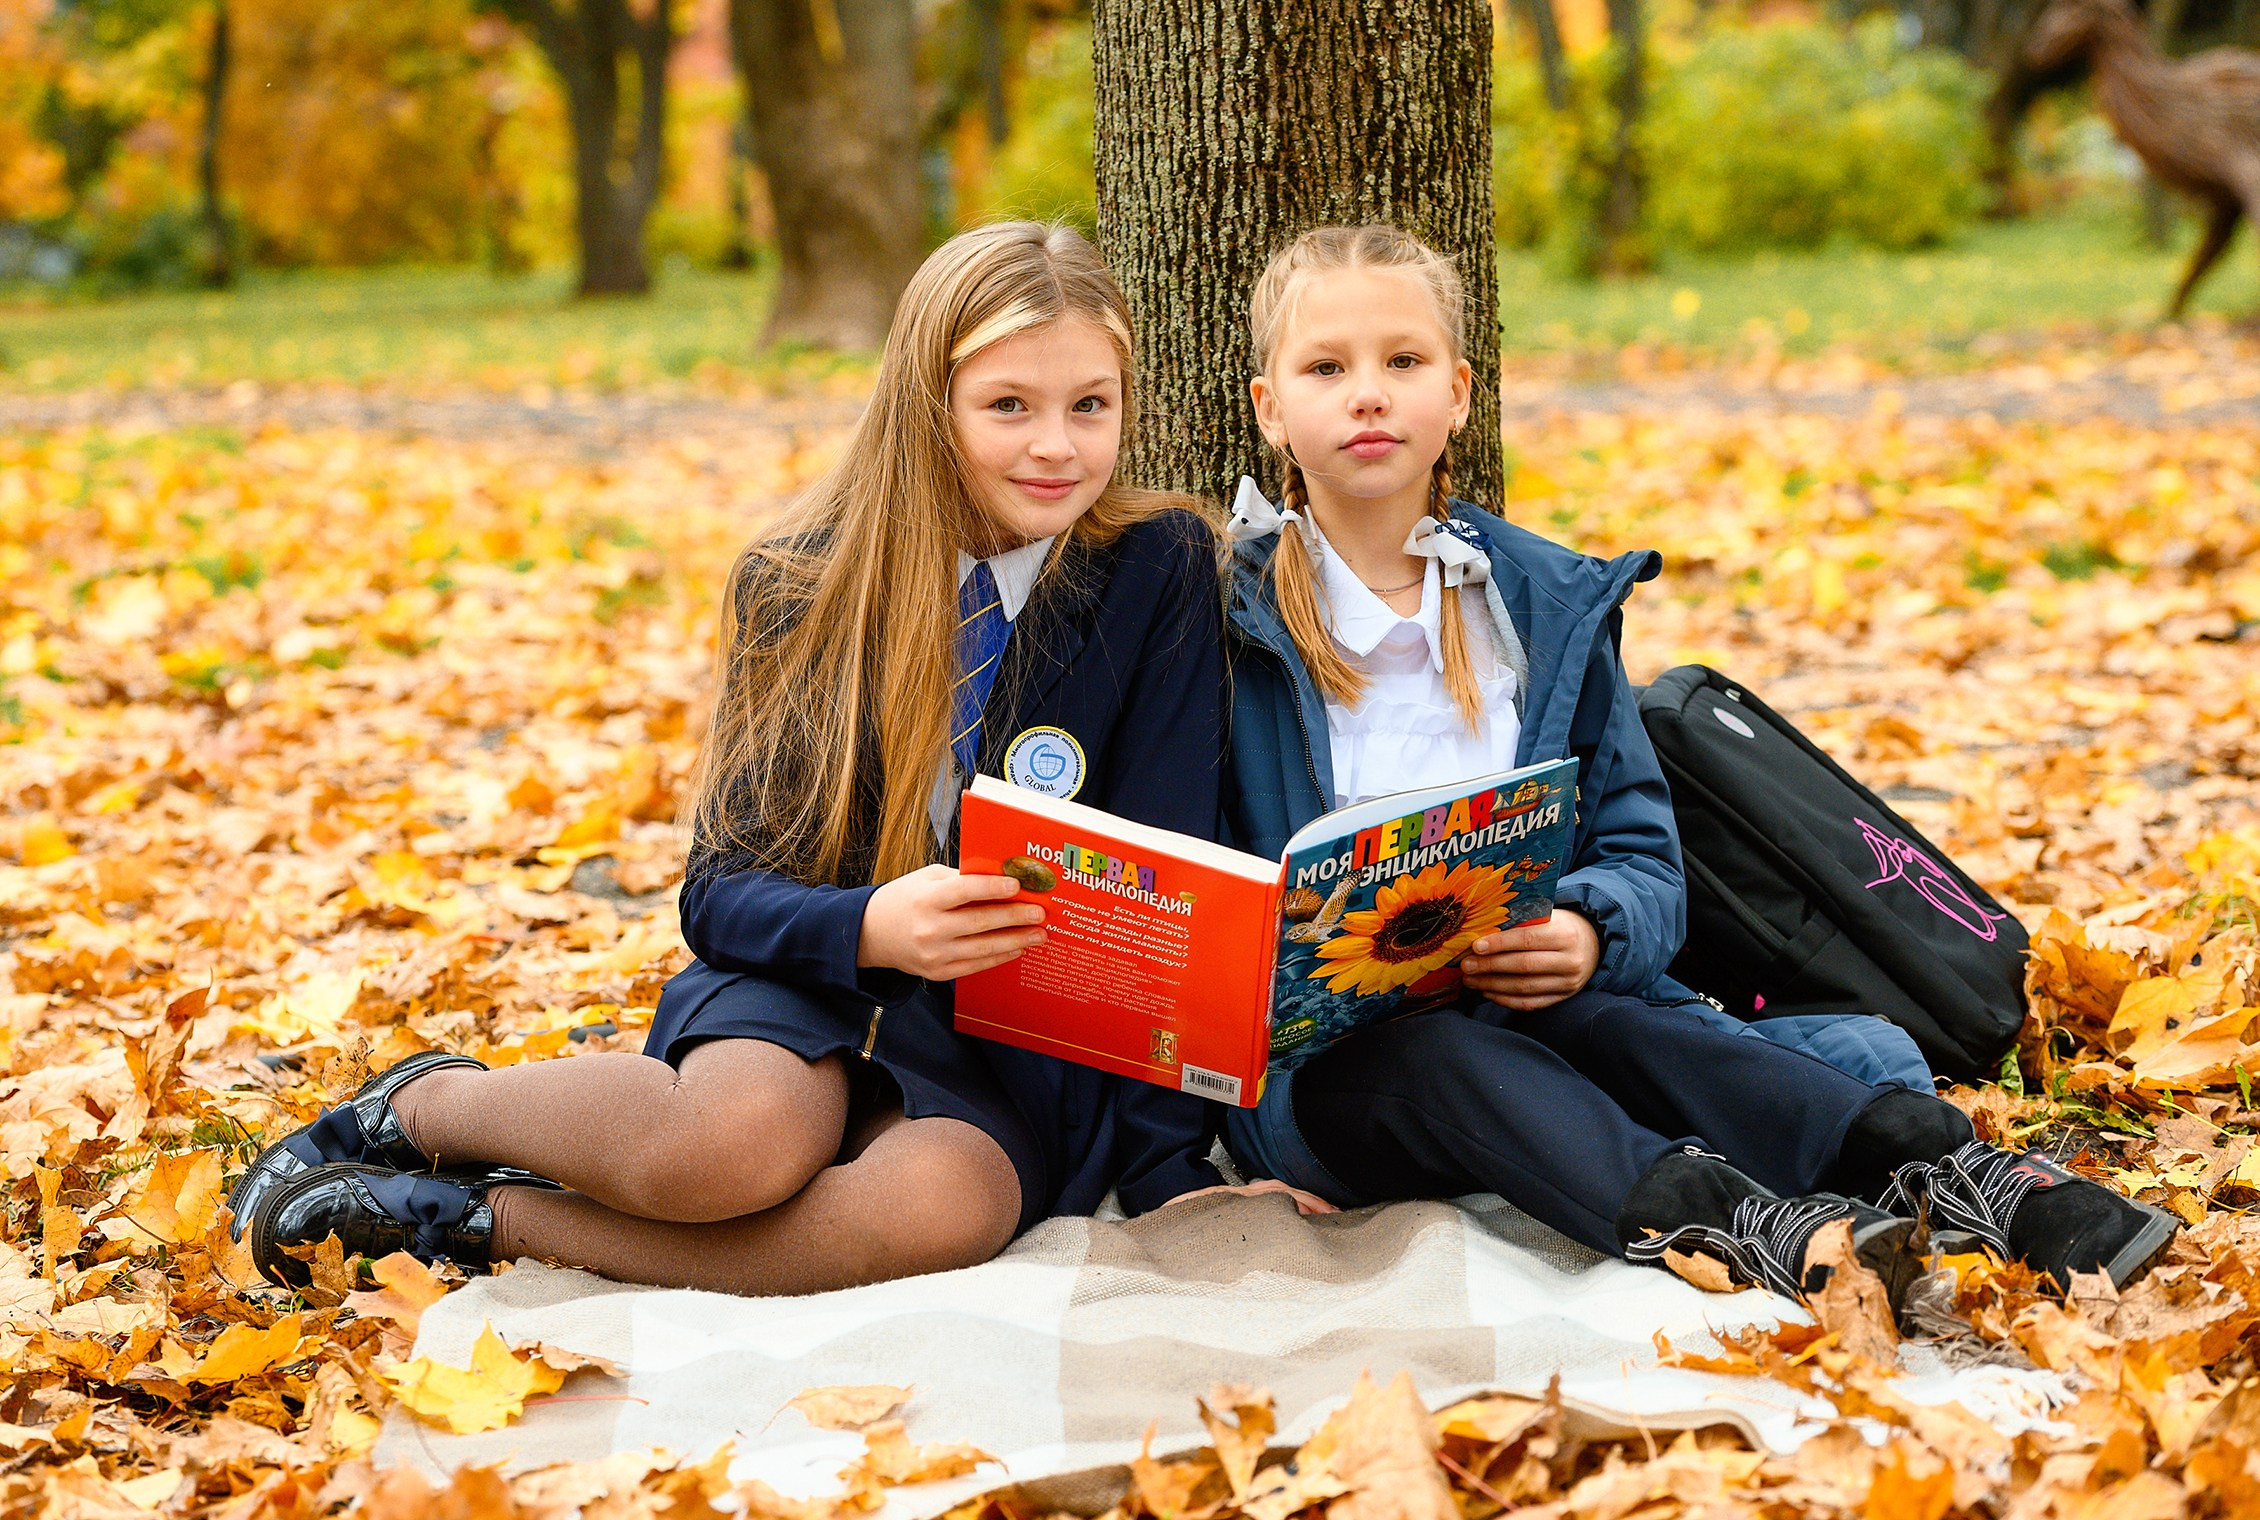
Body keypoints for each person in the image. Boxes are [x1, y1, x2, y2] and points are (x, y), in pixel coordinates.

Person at [230, 222, 1237, 1296]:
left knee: (941, 1209)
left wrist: (1166, 1167)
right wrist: (869, 928)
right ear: (926, 406)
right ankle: (422, 1107)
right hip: (807, 972)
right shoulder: (801, 582)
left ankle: (479, 1219)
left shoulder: (1157, 567)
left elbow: (1169, 882)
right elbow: (718, 893)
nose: (1057, 446)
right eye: (1008, 406)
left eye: (1091, 405)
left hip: (1006, 1045)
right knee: (729, 1151)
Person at [1218, 223, 2178, 1310]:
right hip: (1335, 1081)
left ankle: (1956, 1173)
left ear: (1459, 394)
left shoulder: (1542, 605)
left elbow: (1642, 856)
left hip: (1538, 1012)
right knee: (1435, 1056)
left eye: (1403, 360)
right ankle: (1736, 1224)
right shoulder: (1220, 623)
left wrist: (1587, 931)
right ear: (1269, 409)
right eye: (1326, 368)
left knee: (1629, 1028)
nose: (1368, 395)